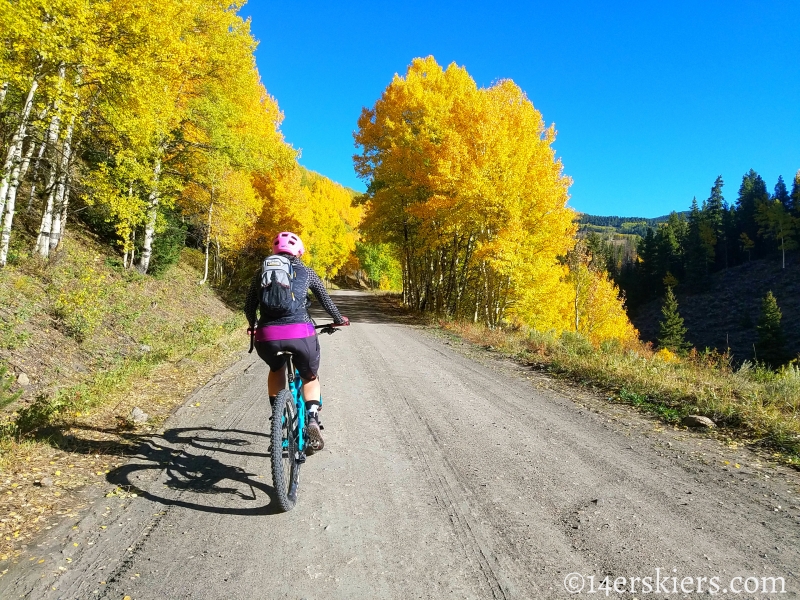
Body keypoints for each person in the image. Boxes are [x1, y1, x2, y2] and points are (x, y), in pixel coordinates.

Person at [245, 231, 349, 449]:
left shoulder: (260, 273)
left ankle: (278, 417)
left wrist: (254, 326)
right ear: (299, 251)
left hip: (267, 336)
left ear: (275, 251)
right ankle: (312, 418)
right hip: (300, 333)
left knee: (276, 370)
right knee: (309, 376)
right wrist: (339, 319)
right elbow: (326, 301)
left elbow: (248, 307)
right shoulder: (306, 271)